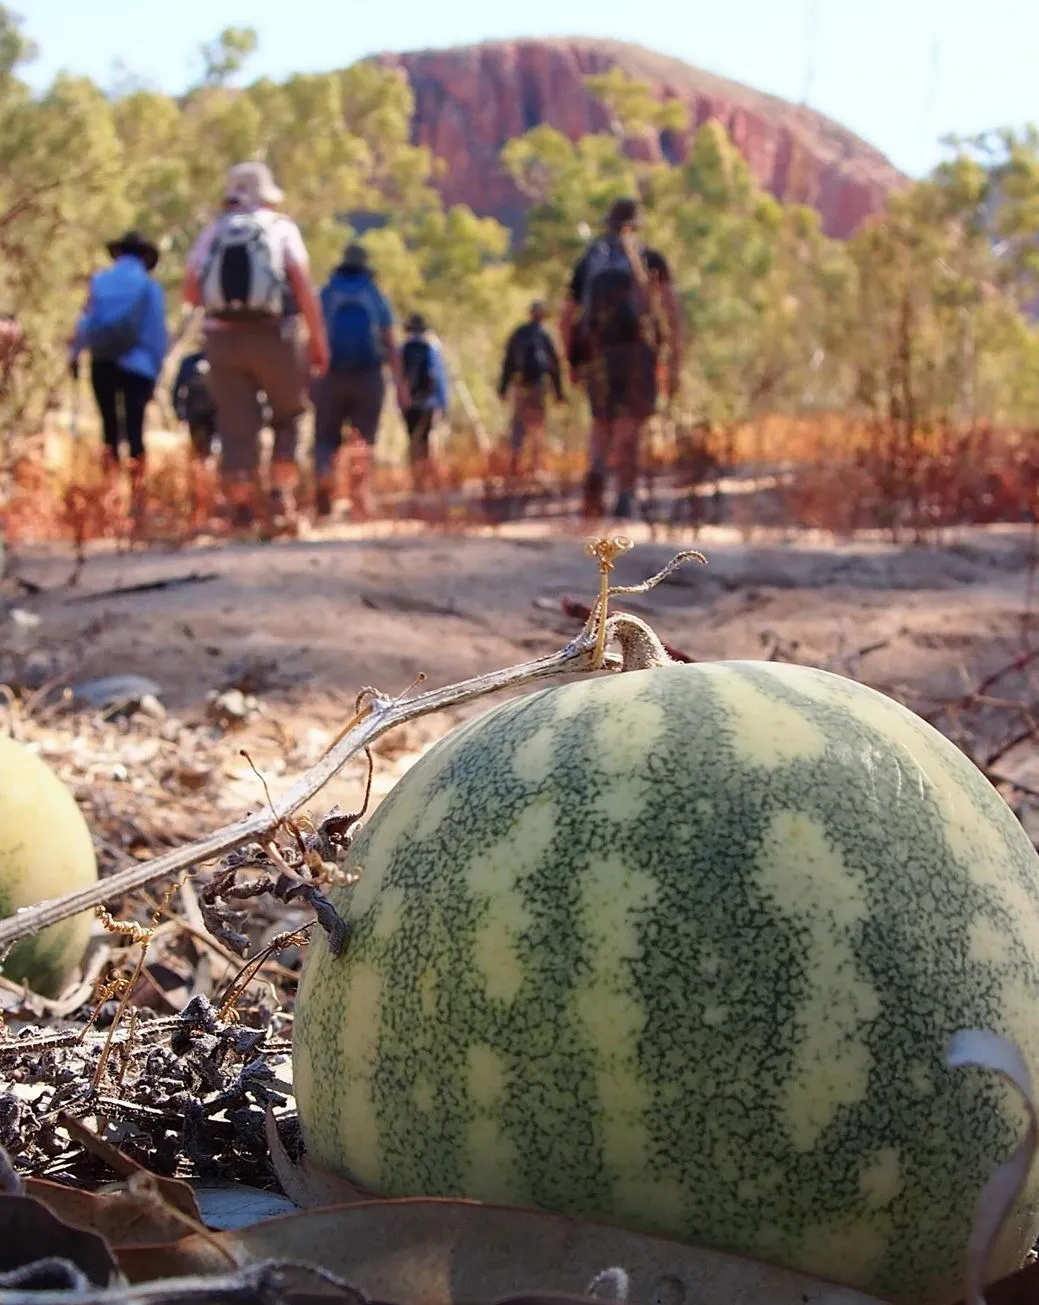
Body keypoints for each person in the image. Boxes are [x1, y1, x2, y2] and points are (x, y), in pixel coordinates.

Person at [182, 162, 329, 534]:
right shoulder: (280, 228)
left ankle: (242, 511)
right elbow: (301, 285)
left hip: (221, 340)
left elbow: (190, 290)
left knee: (236, 425)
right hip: (275, 335)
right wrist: (317, 340)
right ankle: (281, 500)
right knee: (290, 414)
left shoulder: (214, 230)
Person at [559, 197, 682, 520]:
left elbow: (566, 315)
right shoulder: (650, 257)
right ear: (636, 225)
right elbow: (671, 308)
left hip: (598, 353)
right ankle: (625, 497)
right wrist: (673, 355)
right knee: (631, 425)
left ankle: (596, 475)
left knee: (601, 423)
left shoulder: (589, 261)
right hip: (637, 351)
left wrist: (572, 360)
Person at [68, 230, 168, 510]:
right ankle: (137, 501)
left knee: (108, 429)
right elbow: (157, 335)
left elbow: (85, 322)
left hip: (102, 363)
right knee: (135, 431)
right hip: (138, 368)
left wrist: (75, 355)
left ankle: (108, 499)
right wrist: (156, 369)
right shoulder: (149, 287)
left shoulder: (100, 282)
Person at [311, 242, 409, 521]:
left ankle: (325, 483)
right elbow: (390, 342)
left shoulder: (327, 292)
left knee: (325, 438)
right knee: (364, 438)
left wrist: (310, 375)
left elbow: (313, 336)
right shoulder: (374, 293)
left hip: (330, 375)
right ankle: (359, 501)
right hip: (368, 376)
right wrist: (400, 384)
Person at [498, 299, 563, 483]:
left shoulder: (518, 334)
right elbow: (554, 365)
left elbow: (508, 363)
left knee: (518, 425)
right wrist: (558, 392)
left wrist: (503, 388)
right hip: (539, 387)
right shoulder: (545, 335)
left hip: (520, 386)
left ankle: (515, 466)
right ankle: (535, 468)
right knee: (537, 426)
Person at [399, 312, 449, 492]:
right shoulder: (432, 348)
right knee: (427, 438)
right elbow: (440, 378)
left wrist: (401, 402)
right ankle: (428, 478)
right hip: (428, 402)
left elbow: (398, 378)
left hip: (409, 403)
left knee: (412, 439)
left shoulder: (402, 348)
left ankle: (416, 480)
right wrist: (443, 404)